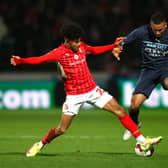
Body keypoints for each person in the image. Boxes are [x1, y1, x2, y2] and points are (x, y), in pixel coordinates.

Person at [11, 23, 162, 157]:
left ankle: (142, 140)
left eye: (79, 41)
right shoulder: (59, 53)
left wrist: (112, 45)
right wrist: (21, 60)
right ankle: (40, 144)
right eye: (75, 42)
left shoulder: (81, 46)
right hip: (74, 96)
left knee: (120, 111)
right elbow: (40, 59)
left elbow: (94, 50)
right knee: (61, 129)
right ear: (67, 41)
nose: (79, 44)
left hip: (92, 90)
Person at [113, 11, 168, 141]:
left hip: (165, 69)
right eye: (155, 30)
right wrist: (117, 48)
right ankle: (134, 123)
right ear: (150, 25)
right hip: (148, 71)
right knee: (134, 106)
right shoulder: (142, 31)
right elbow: (124, 41)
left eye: (160, 30)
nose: (157, 33)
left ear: (165, 25)